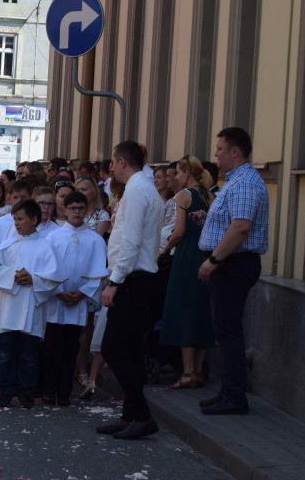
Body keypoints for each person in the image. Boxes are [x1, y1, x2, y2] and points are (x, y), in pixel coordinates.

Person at [197, 127, 269, 415]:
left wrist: (213, 260)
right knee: (225, 329)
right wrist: (207, 221)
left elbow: (241, 227)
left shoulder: (244, 183)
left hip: (232, 265)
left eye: (220, 148)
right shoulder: (236, 181)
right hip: (229, 262)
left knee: (228, 331)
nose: (216, 153)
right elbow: (231, 223)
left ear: (234, 151)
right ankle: (228, 391)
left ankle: (235, 396)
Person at [96, 141, 164, 440]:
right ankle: (130, 415)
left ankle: (143, 415)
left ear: (122, 161)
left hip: (132, 279)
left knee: (114, 349)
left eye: (113, 161)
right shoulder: (145, 187)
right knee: (131, 350)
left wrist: (115, 281)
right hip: (137, 277)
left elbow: (132, 241)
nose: (111, 168)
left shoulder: (137, 190)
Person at [0, 200, 64, 409]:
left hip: (31, 306)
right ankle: (4, 391)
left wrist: (33, 280)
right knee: (5, 352)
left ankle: (26, 392)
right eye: (14, 219)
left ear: (34, 219)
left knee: (29, 355)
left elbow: (54, 277)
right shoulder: (9, 244)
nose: (17, 224)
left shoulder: (46, 246)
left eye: (20, 219)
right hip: (9, 305)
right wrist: (13, 275)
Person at [42, 191, 109, 406]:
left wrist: (81, 293)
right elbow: (45, 269)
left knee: (71, 347)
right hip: (56, 299)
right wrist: (58, 291)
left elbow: (98, 273)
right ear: (65, 210)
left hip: (78, 301)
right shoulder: (52, 237)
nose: (77, 212)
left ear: (86, 210)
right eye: (73, 208)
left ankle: (64, 392)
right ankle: (48, 389)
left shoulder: (96, 240)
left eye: (81, 208)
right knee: (52, 346)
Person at [160, 155, 216, 389]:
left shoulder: (182, 196)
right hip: (205, 256)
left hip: (186, 257)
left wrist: (164, 250)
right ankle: (198, 372)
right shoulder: (210, 195)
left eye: (179, 173)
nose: (176, 177)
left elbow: (179, 231)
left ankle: (187, 371)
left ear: (186, 174)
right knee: (201, 313)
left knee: (182, 311)